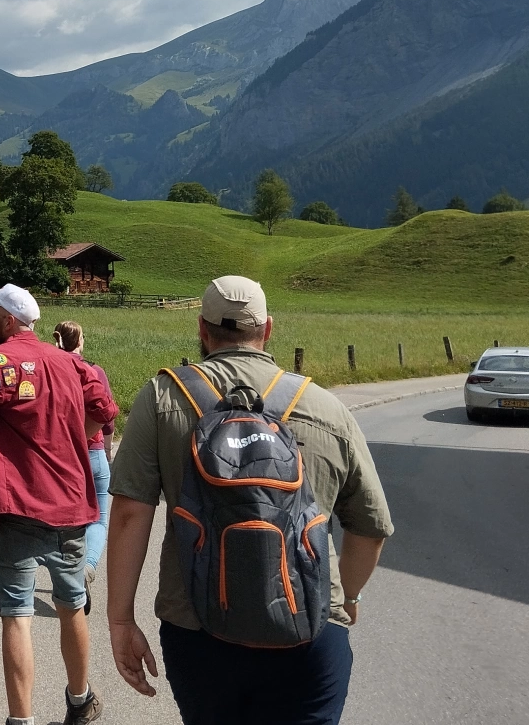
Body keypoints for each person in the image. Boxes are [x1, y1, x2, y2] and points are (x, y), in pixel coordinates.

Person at [106, 276, 394, 725]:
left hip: (197, 629)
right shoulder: (325, 407)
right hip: (310, 629)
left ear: (202, 330)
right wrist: (346, 596)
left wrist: (121, 620)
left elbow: (128, 514)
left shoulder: (164, 397)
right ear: (269, 329)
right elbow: (371, 527)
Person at [0, 284, 118, 725]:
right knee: (71, 601)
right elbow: (106, 410)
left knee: (16, 613)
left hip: (17, 502)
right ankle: (80, 699)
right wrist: (75, 432)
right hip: (71, 502)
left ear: (9, 320)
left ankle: (21, 720)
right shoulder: (75, 364)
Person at [53, 322, 117, 604]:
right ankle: (86, 568)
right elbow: (108, 417)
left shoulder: (51, 369)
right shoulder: (94, 371)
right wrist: (108, 447)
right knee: (99, 519)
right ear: (79, 342)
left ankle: (65, 573)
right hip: (93, 452)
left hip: (62, 456)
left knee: (65, 520)